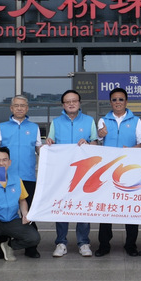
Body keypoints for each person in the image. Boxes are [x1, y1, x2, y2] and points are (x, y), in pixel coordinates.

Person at [0, 95, 42, 258]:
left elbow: (40, 149)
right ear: (11, 108)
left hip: (27, 175)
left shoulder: (34, 127)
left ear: (27, 108)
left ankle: (31, 247)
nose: (19, 108)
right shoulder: (3, 127)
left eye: (23, 105)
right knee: (2, 211)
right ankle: (0, 248)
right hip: (3, 175)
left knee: (29, 211)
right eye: (16, 105)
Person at [46, 90, 97, 257]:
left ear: (79, 103)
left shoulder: (89, 121)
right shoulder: (56, 122)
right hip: (62, 173)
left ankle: (84, 242)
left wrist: (88, 143)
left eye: (74, 101)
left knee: (83, 206)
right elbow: (50, 142)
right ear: (63, 105)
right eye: (67, 101)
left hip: (84, 173)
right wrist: (49, 142)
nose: (71, 104)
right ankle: (61, 242)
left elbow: (95, 143)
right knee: (62, 206)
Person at [95, 87, 141, 257]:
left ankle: (131, 244)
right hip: (108, 171)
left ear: (126, 102)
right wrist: (100, 134)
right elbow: (97, 141)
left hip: (129, 171)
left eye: (121, 99)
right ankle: (104, 244)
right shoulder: (103, 120)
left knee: (129, 208)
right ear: (110, 102)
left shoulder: (136, 121)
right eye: (114, 100)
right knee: (106, 209)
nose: (118, 102)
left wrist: (130, 150)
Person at [0, 147, 41, 270]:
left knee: (34, 237)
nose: (1, 163)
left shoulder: (17, 180)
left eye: (4, 160)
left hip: (12, 220)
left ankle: (9, 246)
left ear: (9, 162)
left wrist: (25, 213)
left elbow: (22, 200)